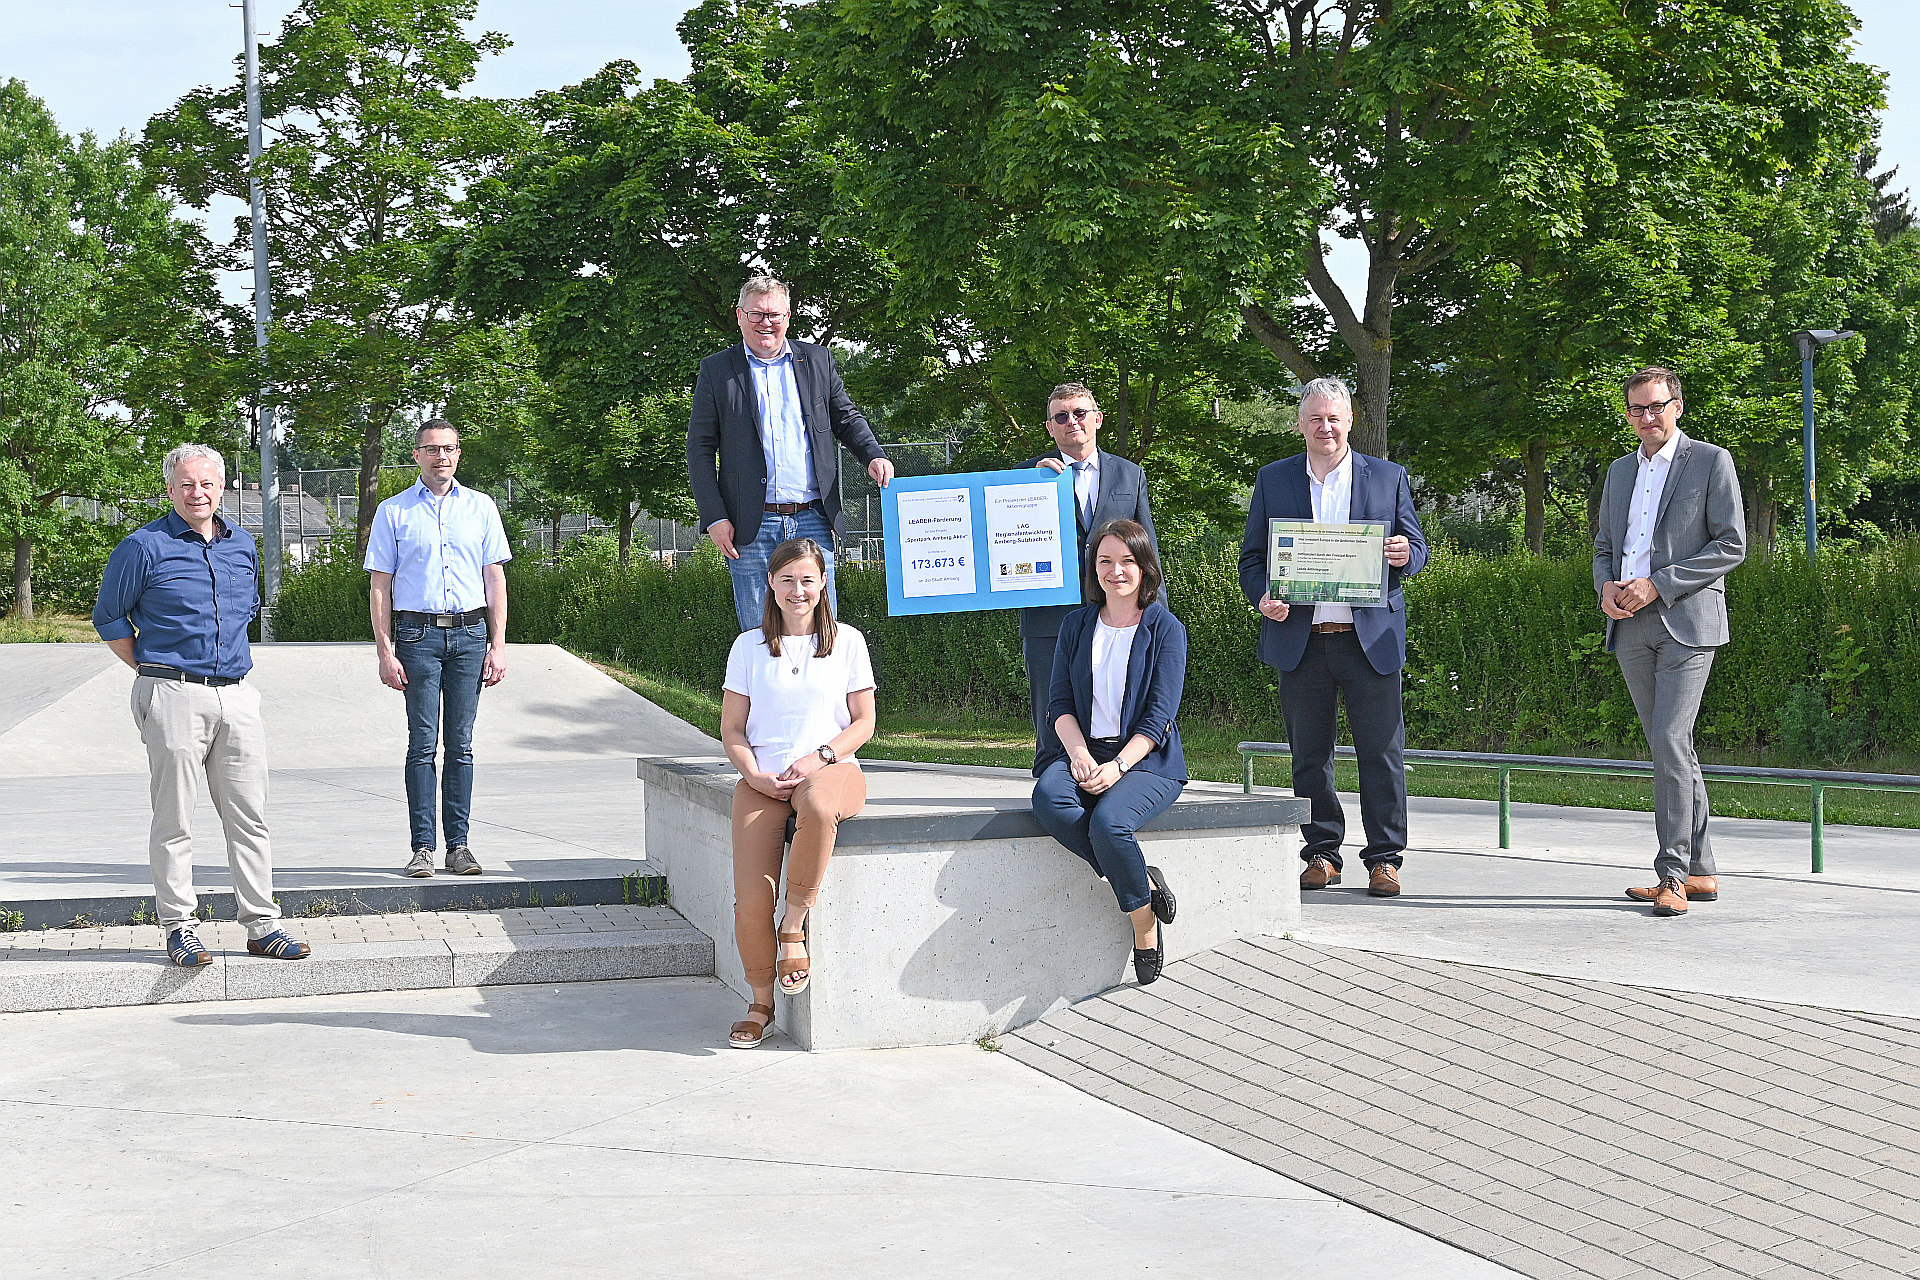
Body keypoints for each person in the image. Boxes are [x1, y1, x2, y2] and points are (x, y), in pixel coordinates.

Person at [92, 444, 310, 967]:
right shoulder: (142, 547)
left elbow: (246, 610)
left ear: (222, 487)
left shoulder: (242, 545)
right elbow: (110, 620)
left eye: (207, 484)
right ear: (170, 489)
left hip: (237, 695)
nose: (198, 493)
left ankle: (262, 925)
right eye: (187, 484)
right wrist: (153, 672)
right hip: (172, 693)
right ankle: (180, 927)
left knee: (250, 816)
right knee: (175, 818)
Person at [1238, 377, 1428, 897]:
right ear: (1301, 425)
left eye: (1334, 418)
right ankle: (1322, 852)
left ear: (1350, 422)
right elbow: (1253, 559)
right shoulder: (1274, 480)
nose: (1326, 427)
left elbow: (1417, 545)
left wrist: (1404, 555)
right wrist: (1262, 598)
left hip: (1370, 639)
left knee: (1382, 754)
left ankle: (1385, 858)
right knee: (1309, 754)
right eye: (1316, 418)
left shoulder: (1387, 477)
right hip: (1302, 639)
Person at [1594, 367, 1746, 917]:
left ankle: (1673, 874)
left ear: (1677, 406)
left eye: (1656, 406)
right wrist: (1606, 589)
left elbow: (1731, 545)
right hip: (1629, 624)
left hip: (1687, 622)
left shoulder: (1711, 462)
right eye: (1636, 409)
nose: (1646, 418)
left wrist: (1658, 584)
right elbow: (1605, 546)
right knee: (1671, 746)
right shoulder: (1618, 471)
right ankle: (1702, 872)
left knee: (1667, 738)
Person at [720, 537, 877, 1047]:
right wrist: (755, 775)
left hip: (831, 770)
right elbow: (733, 731)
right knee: (748, 899)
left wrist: (821, 758)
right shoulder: (748, 647)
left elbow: (864, 722)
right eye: (786, 579)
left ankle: (794, 922)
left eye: (807, 578)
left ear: (823, 581)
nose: (797, 589)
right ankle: (760, 1001)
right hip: (763, 782)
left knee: (816, 803)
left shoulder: (848, 641)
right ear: (770, 583)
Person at [688, 272, 895, 632]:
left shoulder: (817, 360)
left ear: (788, 316)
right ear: (740, 316)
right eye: (756, 314)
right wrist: (714, 517)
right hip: (748, 527)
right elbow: (700, 448)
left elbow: (846, 417)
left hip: (813, 519)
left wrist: (873, 454)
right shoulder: (717, 370)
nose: (766, 322)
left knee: (819, 633)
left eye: (774, 314)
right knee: (759, 634)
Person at [1031, 520, 1185, 985]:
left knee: (1109, 823)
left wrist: (1118, 766)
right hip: (1084, 748)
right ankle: (1141, 880)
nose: (1115, 571)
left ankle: (1144, 927)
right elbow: (1058, 703)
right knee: (1049, 800)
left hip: (1145, 759)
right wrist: (1078, 755)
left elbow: (1158, 717)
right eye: (1104, 561)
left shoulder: (1166, 628)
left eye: (1126, 561)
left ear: (1145, 568)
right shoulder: (1076, 624)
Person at [365, 418, 512, 878]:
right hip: (417, 637)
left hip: (470, 636)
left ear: (458, 453)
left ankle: (460, 847)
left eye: (448, 448)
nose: (441, 457)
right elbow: (380, 585)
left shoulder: (482, 508)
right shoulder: (394, 512)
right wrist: (385, 650)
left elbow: (494, 578)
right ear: (417, 455)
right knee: (422, 744)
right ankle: (423, 848)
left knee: (462, 745)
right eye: (431, 449)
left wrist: (498, 644)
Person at [1020, 382, 1160, 770]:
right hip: (1049, 617)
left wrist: (1156, 615)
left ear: (1097, 419)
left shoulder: (1129, 475)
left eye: (1079, 413)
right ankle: (1052, 786)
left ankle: (1116, 774)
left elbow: (1145, 550)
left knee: (1115, 702)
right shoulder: (1024, 477)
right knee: (1052, 708)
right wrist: (1029, 486)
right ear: (1050, 428)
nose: (1072, 422)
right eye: (1061, 416)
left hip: (1114, 613)